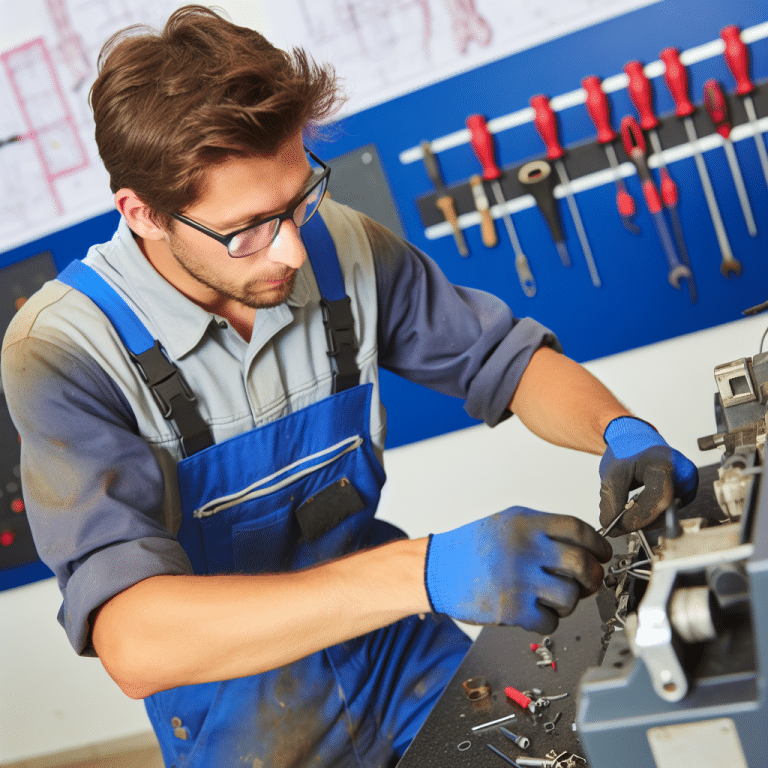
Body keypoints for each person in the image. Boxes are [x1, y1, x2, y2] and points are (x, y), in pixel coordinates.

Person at [1, 6, 698, 767]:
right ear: (142, 214)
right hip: (244, 716)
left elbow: (502, 360)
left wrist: (620, 431)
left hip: (400, 659)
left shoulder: (339, 245)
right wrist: (425, 570)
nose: (294, 248)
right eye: (248, 228)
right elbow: (134, 639)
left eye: (302, 196)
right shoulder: (63, 350)